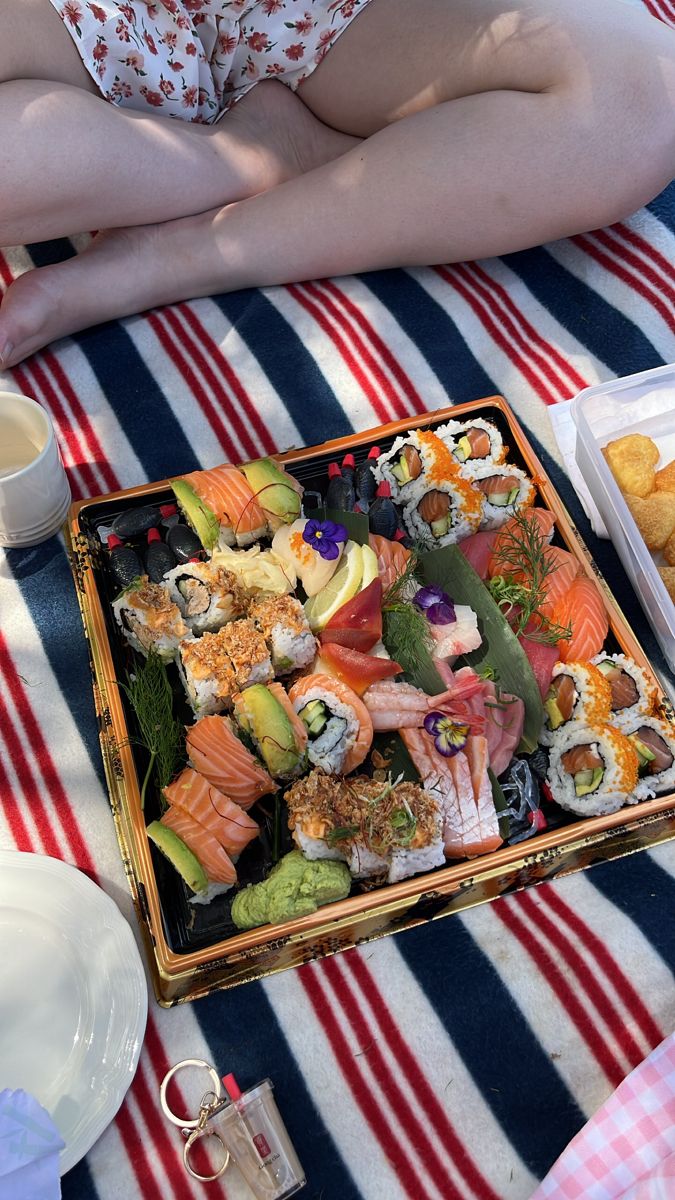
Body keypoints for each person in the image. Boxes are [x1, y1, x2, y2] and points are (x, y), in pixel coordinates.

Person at [0, 0, 673, 369]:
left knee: (643, 94)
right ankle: (236, 158)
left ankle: (175, 254)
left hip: (330, 20)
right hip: (90, 16)